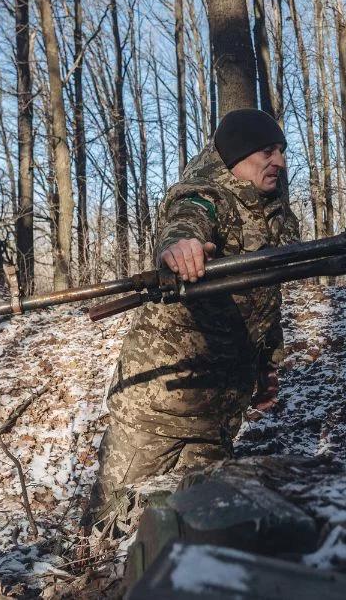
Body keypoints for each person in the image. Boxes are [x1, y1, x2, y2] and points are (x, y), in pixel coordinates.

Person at [93, 108, 299, 505]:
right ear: (238, 155)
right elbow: (187, 218)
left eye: (282, 151)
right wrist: (180, 246)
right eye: (268, 151)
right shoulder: (207, 194)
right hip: (158, 411)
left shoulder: (276, 215)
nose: (280, 161)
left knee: (198, 532)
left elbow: (264, 299)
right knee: (111, 529)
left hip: (218, 412)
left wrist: (265, 364)